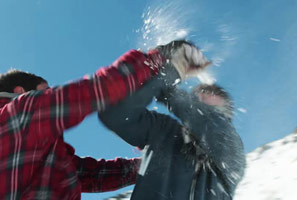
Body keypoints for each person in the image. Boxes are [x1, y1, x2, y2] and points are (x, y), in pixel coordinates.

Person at [0, 40, 210, 200]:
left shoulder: (43, 153)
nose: (47, 95)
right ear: (20, 92)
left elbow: (91, 174)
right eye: (44, 92)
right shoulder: (19, 113)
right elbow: (98, 90)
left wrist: (145, 164)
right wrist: (159, 59)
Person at [98, 64, 246, 200]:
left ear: (226, 115)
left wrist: (169, 86)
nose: (200, 97)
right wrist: (158, 75)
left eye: (211, 95)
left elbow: (210, 123)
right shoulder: (164, 128)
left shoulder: (233, 149)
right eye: (196, 96)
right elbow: (114, 113)